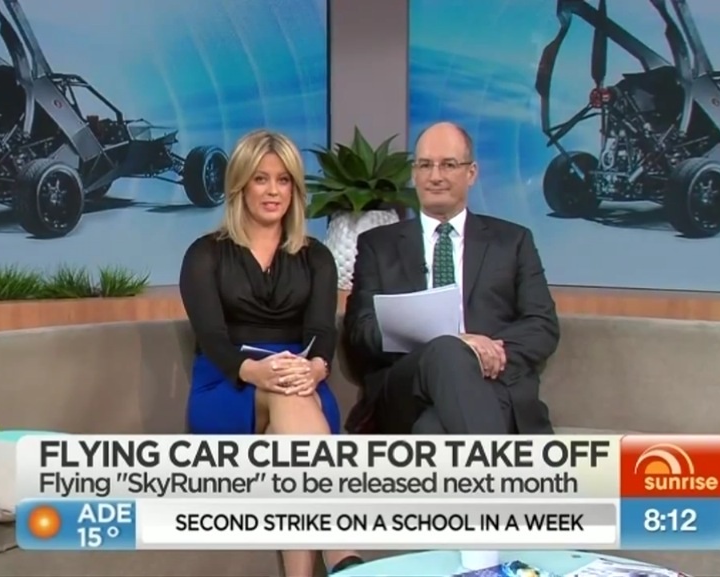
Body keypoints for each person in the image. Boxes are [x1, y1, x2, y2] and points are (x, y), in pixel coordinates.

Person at [178, 129, 363, 576]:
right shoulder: (205, 255)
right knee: (286, 392)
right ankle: (343, 555)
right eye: (261, 179)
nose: (273, 191)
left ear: (295, 189)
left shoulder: (316, 257)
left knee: (290, 417)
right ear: (240, 185)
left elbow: (321, 332)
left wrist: (316, 368)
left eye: (283, 180)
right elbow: (213, 338)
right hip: (227, 381)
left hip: (301, 381)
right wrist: (254, 371)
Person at [342, 121, 560, 436]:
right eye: (425, 165)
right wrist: (454, 344)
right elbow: (361, 330)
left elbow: (541, 324)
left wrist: (483, 354)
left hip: (491, 383)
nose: (435, 176)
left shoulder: (512, 241)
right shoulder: (378, 245)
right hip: (406, 388)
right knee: (446, 350)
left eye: (448, 165)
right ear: (414, 173)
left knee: (432, 429)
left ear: (471, 173)